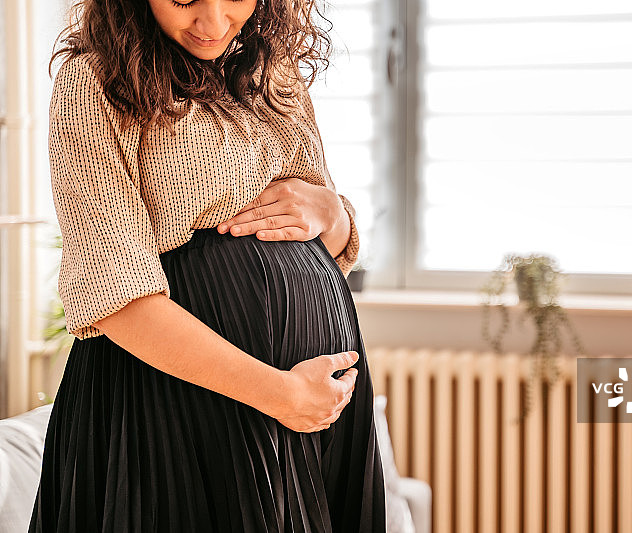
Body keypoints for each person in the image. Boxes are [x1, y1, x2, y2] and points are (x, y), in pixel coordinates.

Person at [28, 0, 386, 531]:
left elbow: (319, 222)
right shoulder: (94, 81)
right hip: (179, 402)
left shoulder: (272, 69)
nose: (213, 23)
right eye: (184, 0)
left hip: (310, 408)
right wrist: (278, 393)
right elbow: (115, 297)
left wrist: (335, 215)